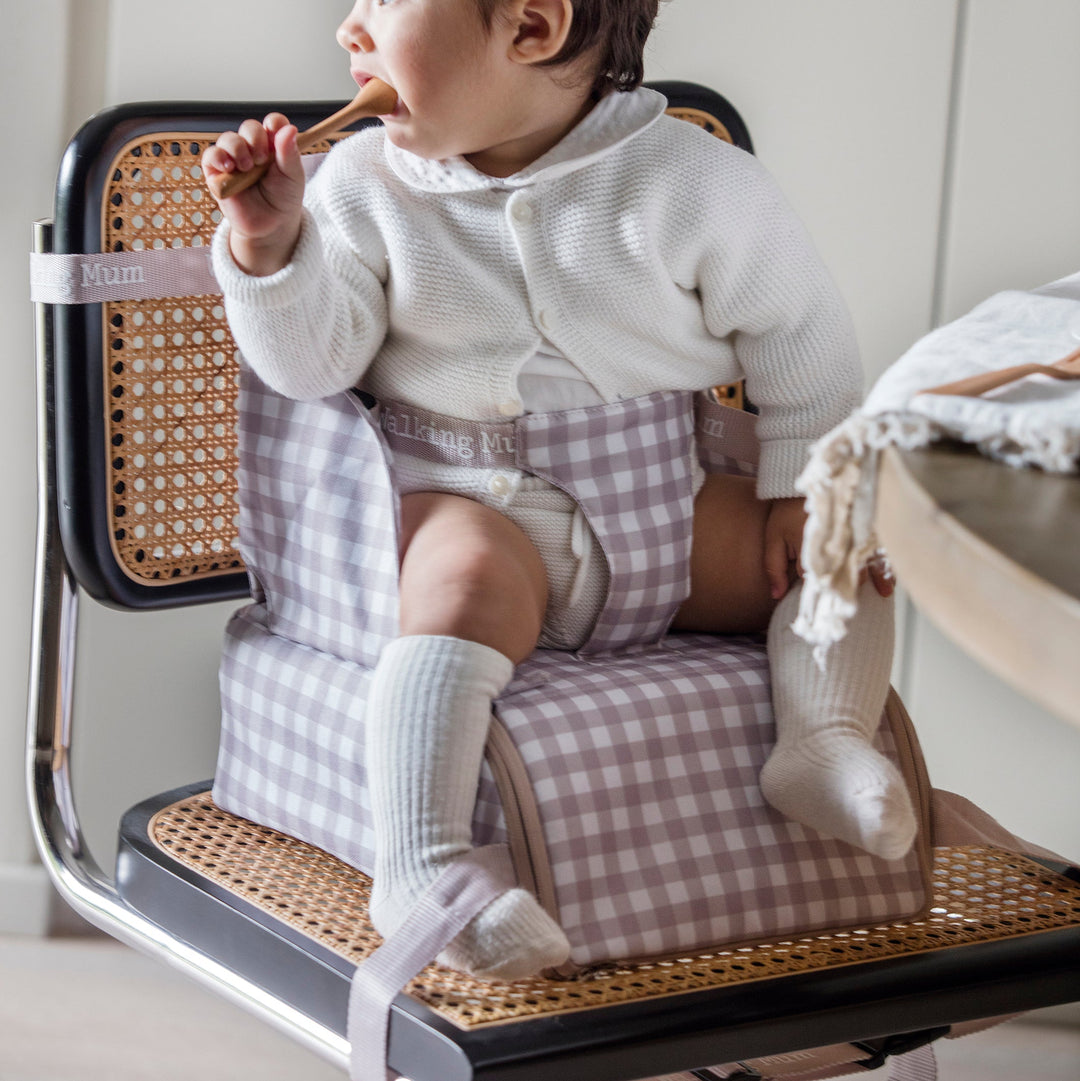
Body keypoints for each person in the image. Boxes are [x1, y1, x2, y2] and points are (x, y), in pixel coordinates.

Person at [204, 0, 913, 981]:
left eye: (383, 0)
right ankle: (421, 864)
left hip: (660, 494)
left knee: (841, 551)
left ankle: (822, 737)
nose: (348, 30)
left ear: (532, 28)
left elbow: (804, 337)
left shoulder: (693, 178)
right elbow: (310, 366)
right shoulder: (360, 185)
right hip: (468, 495)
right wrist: (269, 248)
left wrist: (803, 486)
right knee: (458, 576)